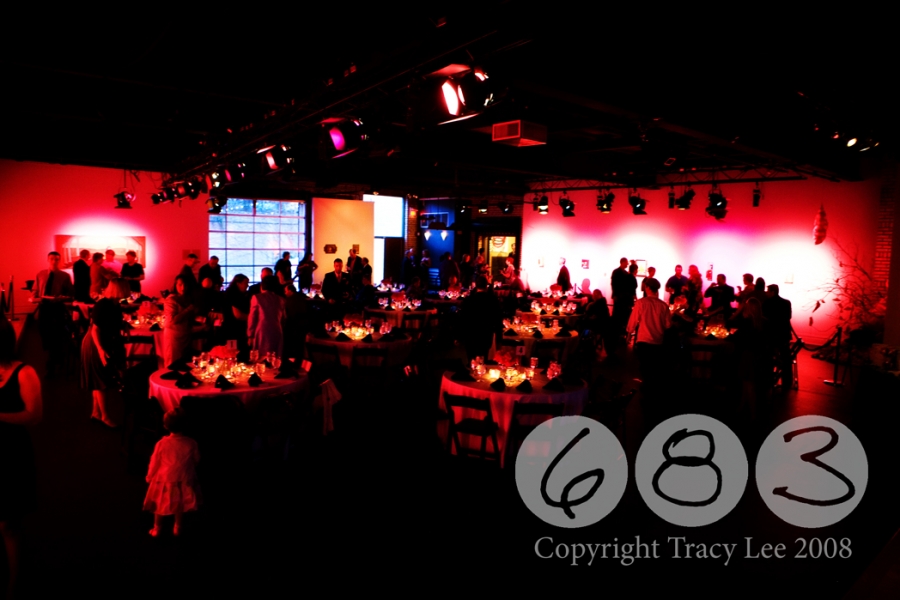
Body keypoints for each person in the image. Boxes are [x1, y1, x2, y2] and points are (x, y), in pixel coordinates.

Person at [0, 317, 42, 599]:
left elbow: (34, 416)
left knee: (8, 524)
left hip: (10, 453)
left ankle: (14, 585)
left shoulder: (25, 373)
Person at [144, 408, 201, 538]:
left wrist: (149, 476)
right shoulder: (191, 443)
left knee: (159, 504)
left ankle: (157, 528)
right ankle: (177, 528)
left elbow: (154, 462)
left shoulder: (162, 444)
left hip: (164, 479)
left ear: (165, 426)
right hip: (184, 478)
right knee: (179, 504)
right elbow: (197, 459)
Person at [81, 279, 129, 428]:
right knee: (101, 381)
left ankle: (96, 412)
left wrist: (124, 325)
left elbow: (112, 322)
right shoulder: (102, 305)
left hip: (103, 342)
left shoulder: (115, 304)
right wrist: (101, 350)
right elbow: (95, 330)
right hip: (95, 344)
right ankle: (105, 416)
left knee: (98, 380)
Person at [30, 251, 75, 377]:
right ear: (47, 260)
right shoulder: (41, 274)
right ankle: (57, 357)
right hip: (44, 308)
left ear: (59, 260)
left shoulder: (64, 276)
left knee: (55, 335)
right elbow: (35, 290)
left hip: (57, 308)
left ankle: (51, 365)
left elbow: (70, 293)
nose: (54, 261)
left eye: (56, 259)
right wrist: (33, 297)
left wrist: (61, 298)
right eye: (52, 259)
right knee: (44, 332)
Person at [626, 278, 671, 396]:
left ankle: (645, 388)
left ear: (648, 288)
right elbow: (668, 325)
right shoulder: (663, 305)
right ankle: (652, 390)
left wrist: (629, 334)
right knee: (654, 366)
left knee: (644, 366)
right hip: (658, 340)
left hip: (644, 339)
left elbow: (633, 320)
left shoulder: (641, 303)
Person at [459, 275, 502, 360]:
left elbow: (462, 319)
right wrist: (499, 339)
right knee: (484, 357)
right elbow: (498, 319)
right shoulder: (493, 300)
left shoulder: (468, 300)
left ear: (476, 285)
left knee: (471, 359)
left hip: (470, 335)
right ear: (486, 286)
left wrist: (459, 336)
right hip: (486, 334)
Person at [763, 284, 793, 389]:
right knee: (786, 359)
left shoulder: (767, 303)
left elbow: (765, 319)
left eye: (768, 291)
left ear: (772, 292)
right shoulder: (787, 303)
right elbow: (789, 317)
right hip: (784, 334)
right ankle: (787, 382)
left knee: (768, 358)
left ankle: (768, 380)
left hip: (771, 335)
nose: (766, 293)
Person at [163, 275, 198, 368]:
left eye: (185, 285)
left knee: (185, 364)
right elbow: (172, 320)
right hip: (174, 336)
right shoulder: (171, 299)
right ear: (175, 285)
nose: (183, 288)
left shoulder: (187, 298)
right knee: (173, 363)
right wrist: (188, 310)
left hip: (186, 335)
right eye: (180, 285)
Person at [248, 275, 286, 358]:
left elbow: (252, 317)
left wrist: (250, 334)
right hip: (277, 329)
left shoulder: (256, 297)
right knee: (275, 356)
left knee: (261, 356)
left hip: (262, 330)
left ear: (262, 285)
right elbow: (284, 318)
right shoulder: (281, 299)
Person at [223, 274, 251, 361]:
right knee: (234, 354)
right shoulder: (234, 295)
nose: (247, 285)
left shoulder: (232, 294)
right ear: (238, 283)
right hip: (234, 330)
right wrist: (252, 318)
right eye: (245, 283)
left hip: (232, 329)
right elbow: (238, 315)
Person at [283, 284, 309, 361]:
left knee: (292, 345)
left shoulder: (289, 301)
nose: (285, 293)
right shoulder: (302, 298)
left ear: (290, 291)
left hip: (293, 326)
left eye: (286, 291)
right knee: (300, 346)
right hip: (303, 325)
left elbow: (289, 315)